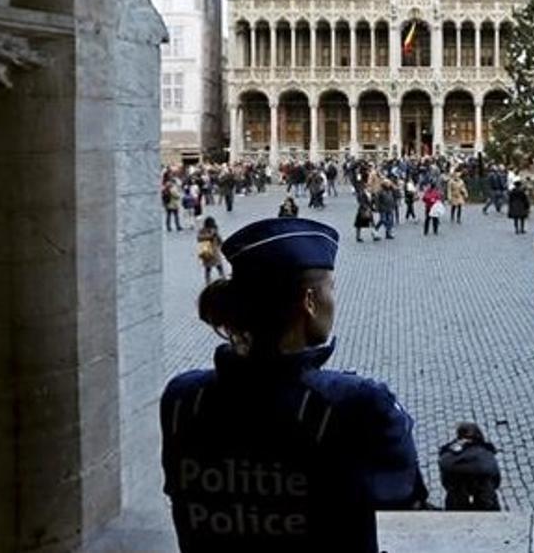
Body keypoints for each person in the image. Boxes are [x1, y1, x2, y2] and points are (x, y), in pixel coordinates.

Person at [162, 218, 428, 553]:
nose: (334, 299)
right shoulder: (358, 403)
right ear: (310, 301)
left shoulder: (183, 398)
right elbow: (404, 492)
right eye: (332, 288)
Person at [437, 422, 501, 512]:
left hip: (457, 500)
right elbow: (496, 480)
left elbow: (446, 481)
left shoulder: (448, 456)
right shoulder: (487, 455)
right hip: (485, 499)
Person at [196, 217, 225, 286]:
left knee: (212, 267)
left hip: (210, 251)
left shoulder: (208, 230)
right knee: (214, 267)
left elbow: (199, 239)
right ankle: (219, 278)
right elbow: (219, 240)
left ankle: (211, 280)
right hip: (210, 251)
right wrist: (211, 237)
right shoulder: (209, 231)